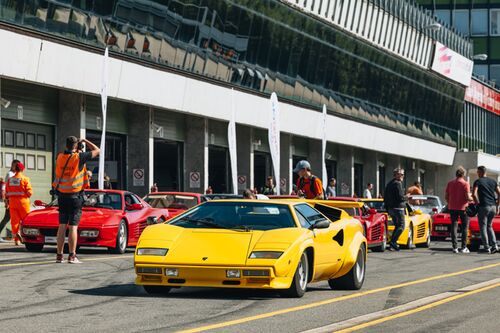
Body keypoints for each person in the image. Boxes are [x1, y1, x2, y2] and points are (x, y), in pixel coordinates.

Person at [54, 136, 100, 263]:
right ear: (76, 146)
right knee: (73, 227)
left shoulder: (59, 157)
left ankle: (59, 255)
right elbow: (97, 150)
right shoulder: (79, 157)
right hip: (75, 197)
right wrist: (85, 141)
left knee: (62, 226)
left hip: (62, 196)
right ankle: (72, 255)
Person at [445, 166, 473, 254]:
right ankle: (463, 247)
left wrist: (450, 202)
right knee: (465, 227)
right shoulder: (465, 184)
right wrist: (473, 198)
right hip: (463, 207)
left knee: (454, 226)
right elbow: (468, 197)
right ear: (463, 174)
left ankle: (455, 247)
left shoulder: (450, 183)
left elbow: (446, 196)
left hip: (452, 207)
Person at [472, 166, 500, 254]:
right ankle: (494, 245)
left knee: (483, 227)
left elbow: (473, 194)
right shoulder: (493, 181)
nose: (477, 174)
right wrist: (498, 205)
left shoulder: (478, 181)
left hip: (484, 206)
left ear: (480, 172)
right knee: (489, 226)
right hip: (493, 207)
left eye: (478, 172)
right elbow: (499, 193)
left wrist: (477, 204)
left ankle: (486, 247)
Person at [5, 160, 33, 245]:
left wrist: (7, 202)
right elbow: (29, 192)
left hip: (12, 203)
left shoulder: (10, 180)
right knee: (26, 220)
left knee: (15, 221)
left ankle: (16, 239)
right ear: (22, 169)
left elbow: (6, 193)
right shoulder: (25, 179)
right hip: (23, 203)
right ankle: (27, 237)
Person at [384, 168, 406, 251]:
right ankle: (393, 242)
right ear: (396, 175)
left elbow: (385, 197)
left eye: (403, 174)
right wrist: (406, 197)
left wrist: (387, 208)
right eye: (401, 174)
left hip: (391, 208)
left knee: (397, 226)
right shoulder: (398, 183)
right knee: (401, 226)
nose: (402, 176)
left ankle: (393, 244)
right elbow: (400, 197)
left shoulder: (389, 184)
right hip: (398, 208)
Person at [0, 162, 19, 242]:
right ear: (13, 165)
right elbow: (7, 188)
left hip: (15, 201)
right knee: (7, 218)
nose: (17, 167)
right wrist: (6, 201)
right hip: (11, 201)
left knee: (9, 218)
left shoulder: (15, 174)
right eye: (16, 166)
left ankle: (16, 237)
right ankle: (16, 237)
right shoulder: (10, 174)